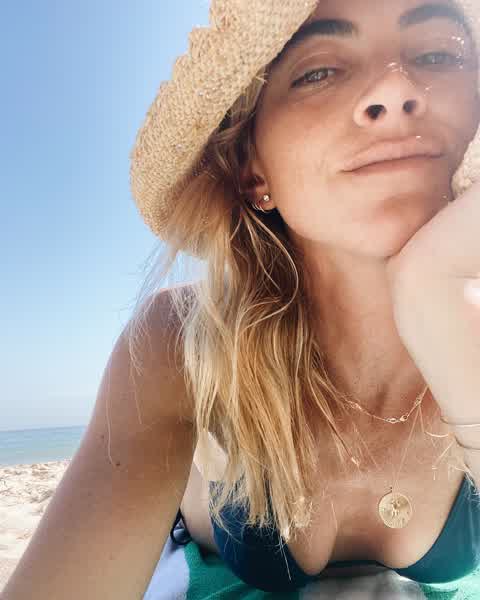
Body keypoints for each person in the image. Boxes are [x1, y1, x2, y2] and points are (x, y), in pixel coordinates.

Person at [4, 0, 480, 597]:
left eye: (437, 54)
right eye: (318, 71)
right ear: (255, 173)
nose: (395, 88)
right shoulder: (182, 341)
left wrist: (438, 299)